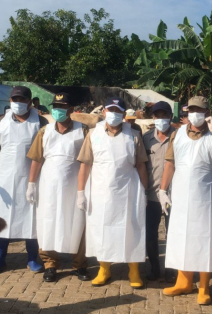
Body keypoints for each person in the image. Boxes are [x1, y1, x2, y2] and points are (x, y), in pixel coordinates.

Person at [158, 96, 212, 305]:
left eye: (200, 110)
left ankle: (204, 286)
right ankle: (184, 281)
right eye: (192, 110)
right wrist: (163, 190)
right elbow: (170, 163)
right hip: (180, 193)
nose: (195, 114)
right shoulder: (178, 133)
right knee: (182, 237)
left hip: (206, 196)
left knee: (205, 238)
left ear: (207, 112)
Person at [76, 97, 149, 288]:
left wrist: (145, 190)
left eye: (118, 111)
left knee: (132, 228)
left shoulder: (133, 135)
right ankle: (104, 269)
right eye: (111, 110)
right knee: (102, 229)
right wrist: (80, 192)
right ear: (104, 112)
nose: (114, 114)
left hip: (128, 190)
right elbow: (85, 165)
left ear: (124, 115)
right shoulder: (93, 134)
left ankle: (134, 270)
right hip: (100, 191)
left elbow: (141, 165)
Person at [0, 86, 47, 275]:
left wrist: (33, 182)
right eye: (14, 99)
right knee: (2, 216)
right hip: (3, 178)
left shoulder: (39, 121)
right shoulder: (2, 121)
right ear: (10, 101)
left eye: (22, 100)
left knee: (30, 218)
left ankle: (33, 258)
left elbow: (43, 152)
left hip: (31, 177)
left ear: (30, 102)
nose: (18, 103)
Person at [26, 93, 91, 283]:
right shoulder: (44, 131)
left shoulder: (83, 130)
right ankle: (50, 264)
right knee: (48, 222)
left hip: (74, 185)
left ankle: (79, 265)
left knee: (77, 222)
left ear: (71, 110)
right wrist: (31, 183)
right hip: (48, 185)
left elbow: (88, 160)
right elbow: (37, 159)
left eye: (62, 106)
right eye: (55, 106)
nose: (58, 110)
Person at [142, 101, 176, 282]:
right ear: (153, 117)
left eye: (164, 115)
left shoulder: (179, 137)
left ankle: (171, 269)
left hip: (173, 196)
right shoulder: (146, 138)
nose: (161, 118)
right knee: (150, 234)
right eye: (157, 115)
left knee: (173, 234)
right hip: (152, 196)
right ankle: (154, 267)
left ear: (170, 117)